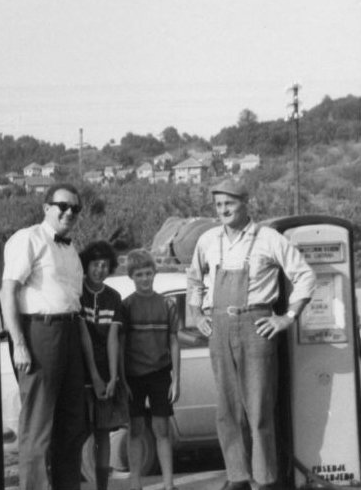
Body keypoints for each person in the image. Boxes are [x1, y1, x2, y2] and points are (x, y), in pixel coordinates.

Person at [187, 179, 316, 490]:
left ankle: (265, 478)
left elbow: (305, 277)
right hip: (219, 326)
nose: (223, 210)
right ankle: (237, 476)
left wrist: (286, 318)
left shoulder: (268, 239)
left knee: (258, 408)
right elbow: (194, 278)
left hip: (256, 324)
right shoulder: (207, 240)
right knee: (227, 410)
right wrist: (195, 313)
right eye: (218, 205)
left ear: (245, 202)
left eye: (229, 203)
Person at [0, 183, 87, 490]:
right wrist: (20, 344)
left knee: (72, 422)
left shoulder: (70, 249)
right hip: (40, 333)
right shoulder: (28, 239)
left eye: (75, 208)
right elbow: (7, 292)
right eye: (62, 206)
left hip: (70, 331)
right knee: (38, 424)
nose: (69, 213)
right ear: (46, 207)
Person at [121, 248, 180, 490]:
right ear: (132, 277)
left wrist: (176, 379)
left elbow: (174, 341)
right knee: (135, 429)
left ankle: (168, 483)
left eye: (148, 273)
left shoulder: (167, 303)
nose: (145, 279)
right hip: (133, 375)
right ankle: (135, 483)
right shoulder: (126, 306)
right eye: (139, 275)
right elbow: (121, 345)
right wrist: (122, 379)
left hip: (160, 374)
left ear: (154, 273)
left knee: (161, 428)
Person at [79, 240, 126, 490]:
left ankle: (101, 488)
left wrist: (113, 378)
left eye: (104, 265)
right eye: (95, 264)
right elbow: (81, 334)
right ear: (86, 266)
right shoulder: (77, 293)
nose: (99, 270)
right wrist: (95, 377)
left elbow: (113, 339)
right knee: (78, 433)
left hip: (106, 372)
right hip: (81, 373)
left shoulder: (113, 297)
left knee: (103, 434)